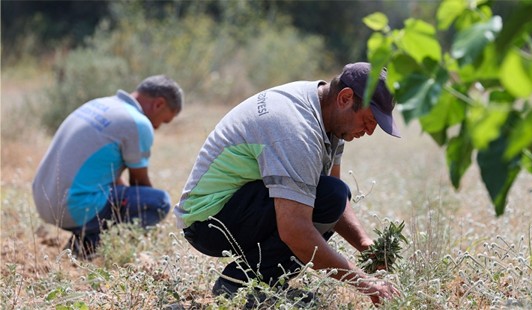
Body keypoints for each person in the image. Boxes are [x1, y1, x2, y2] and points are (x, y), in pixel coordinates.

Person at [174, 62, 401, 306]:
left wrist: (365, 244)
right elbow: (295, 229)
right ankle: (239, 284)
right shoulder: (296, 131)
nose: (369, 132)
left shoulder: (329, 115)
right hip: (209, 222)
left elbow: (332, 196)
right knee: (325, 201)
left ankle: (259, 282)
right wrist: (365, 282)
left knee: (334, 194)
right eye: (368, 121)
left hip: (236, 207)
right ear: (345, 98)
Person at [32, 75, 184, 259]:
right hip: (73, 207)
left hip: (43, 200)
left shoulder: (100, 104)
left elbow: (108, 174)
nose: (158, 127)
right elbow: (139, 183)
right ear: (159, 104)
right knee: (158, 203)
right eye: (163, 121)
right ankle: (89, 249)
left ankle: (80, 246)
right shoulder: (137, 122)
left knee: (123, 198)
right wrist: (152, 230)